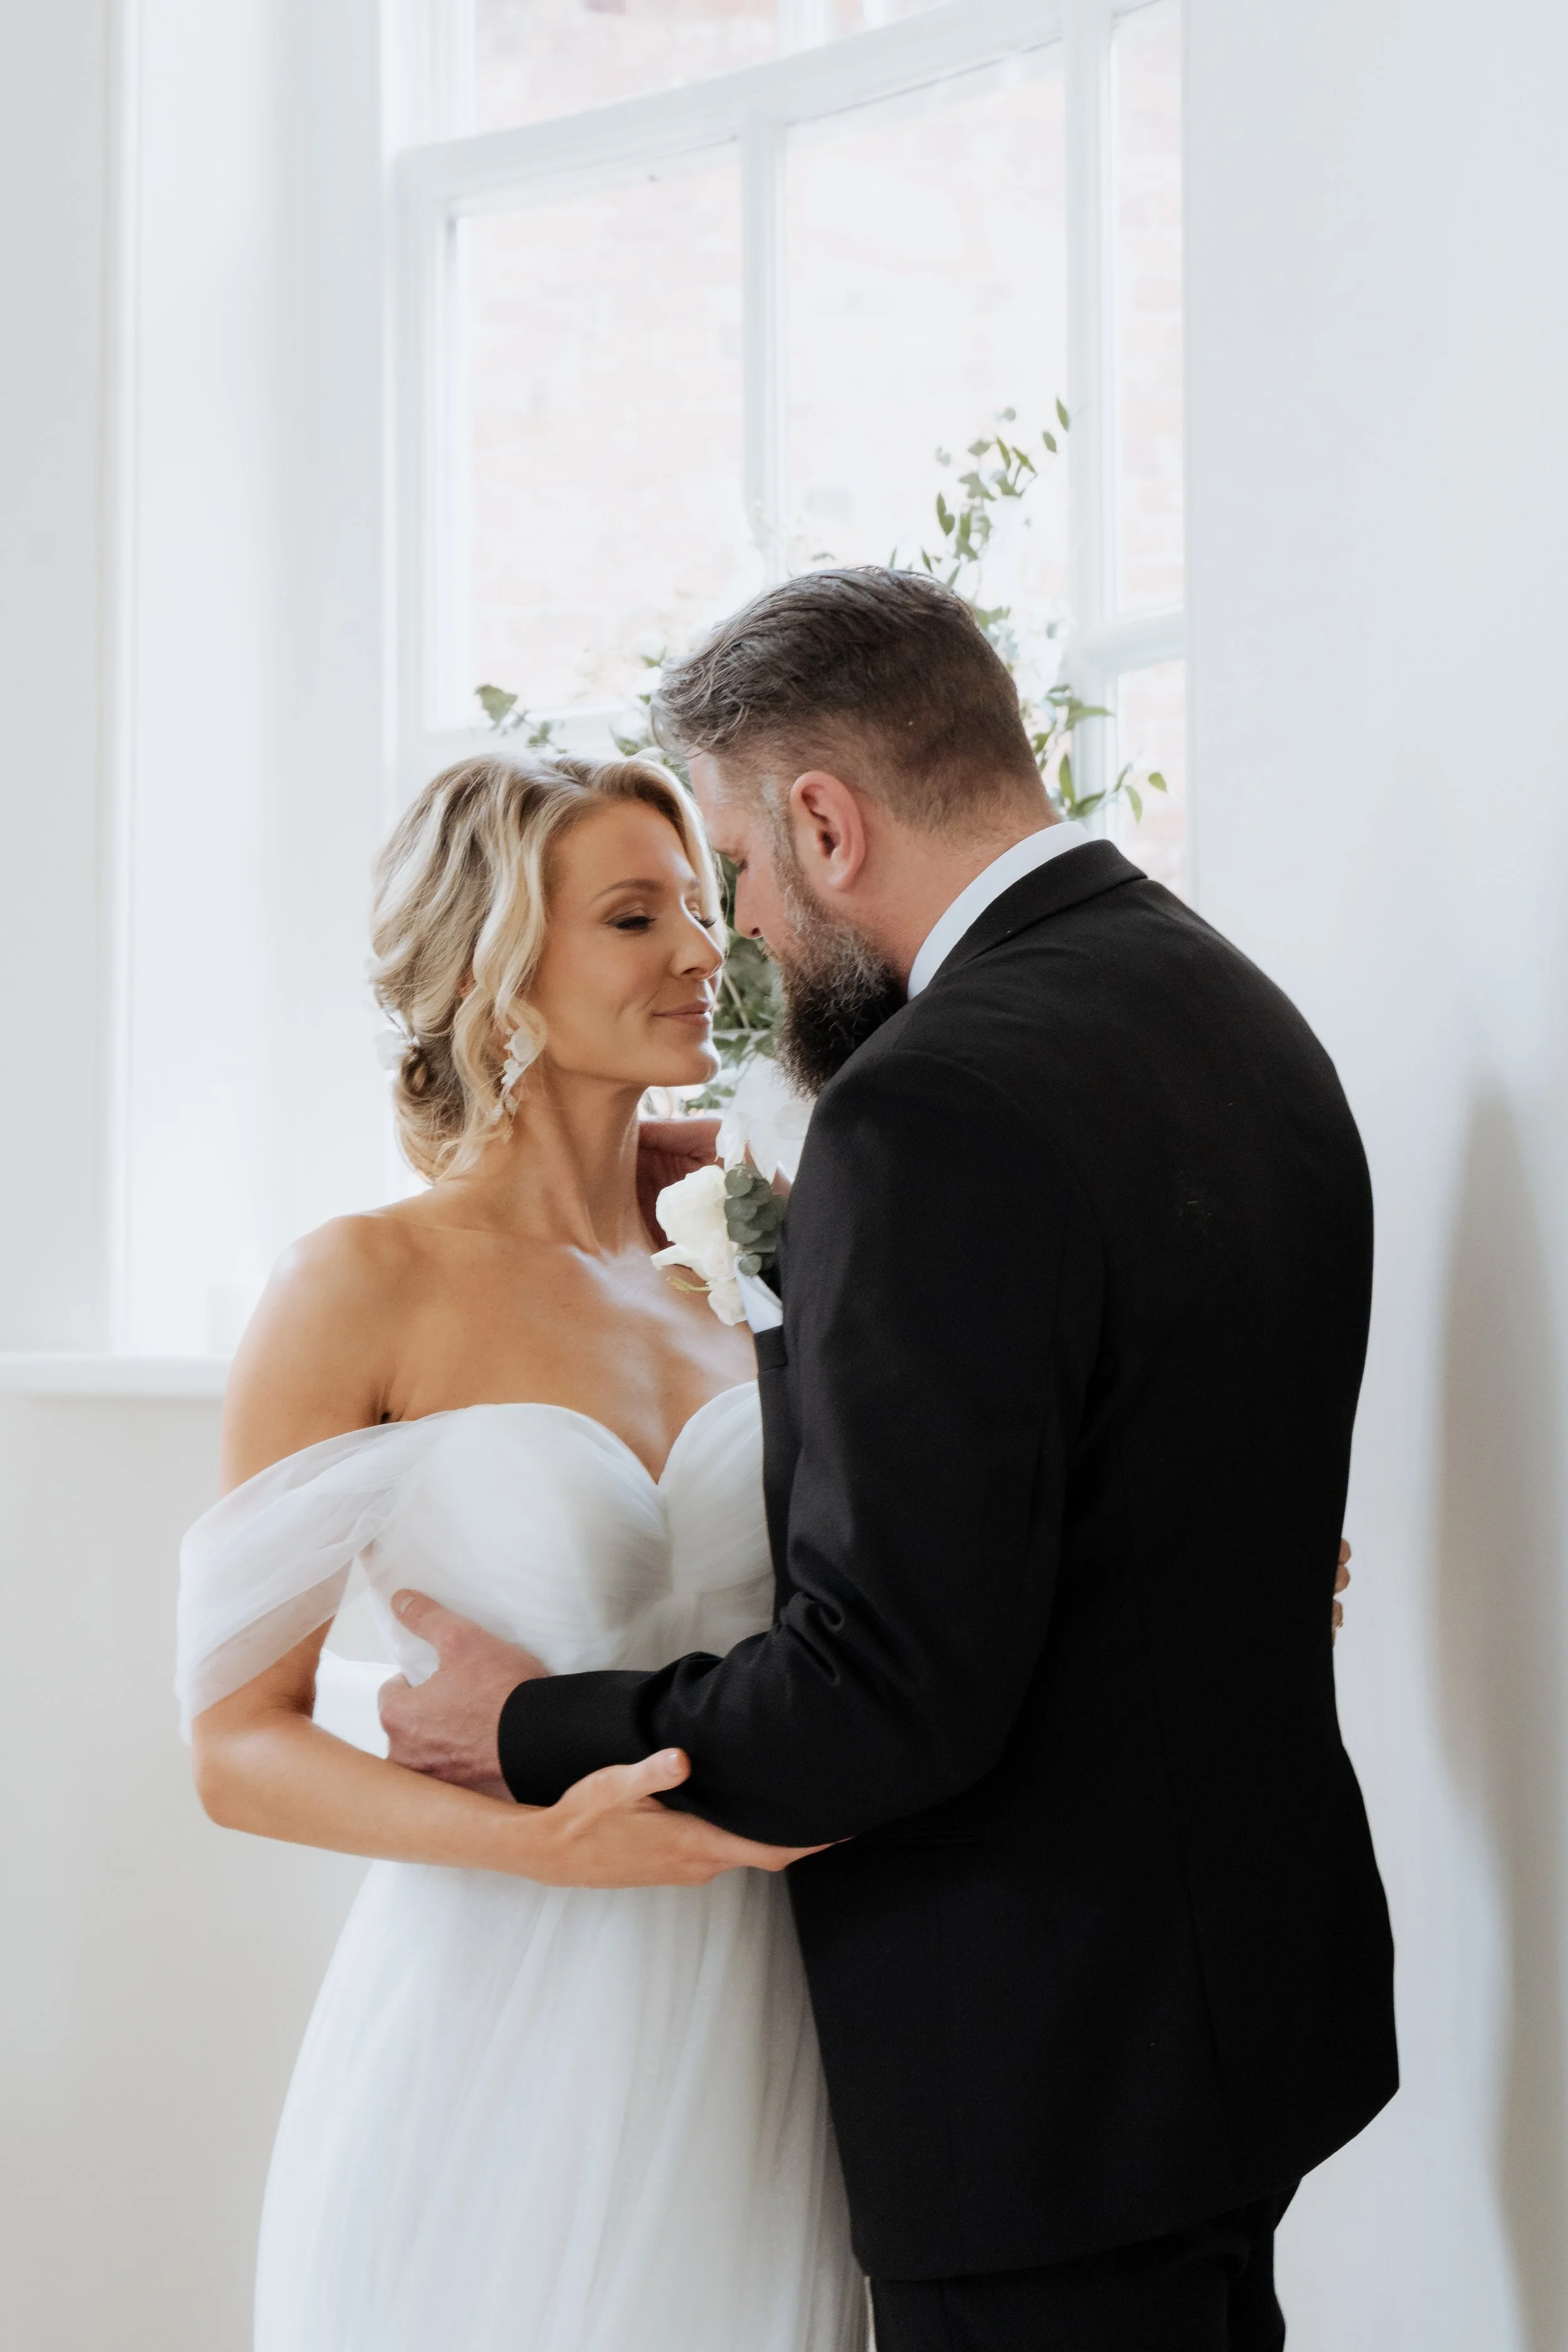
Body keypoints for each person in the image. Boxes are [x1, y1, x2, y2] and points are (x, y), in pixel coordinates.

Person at [383, 567, 1397, 2351]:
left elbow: (886, 1701)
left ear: (827, 821)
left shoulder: (926, 1113)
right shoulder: (1229, 1004)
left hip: (1039, 2067)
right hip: (1245, 1999)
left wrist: (525, 1722)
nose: (743, 933)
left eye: (740, 868)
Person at [176, 753, 868, 2352]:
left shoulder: (757, 1227)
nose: (705, 950)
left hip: (773, 1993)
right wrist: (546, 1846)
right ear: (497, 965)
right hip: (502, 2002)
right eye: (636, 916)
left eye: (701, 903)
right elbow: (234, 1748)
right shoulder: (360, 1286)